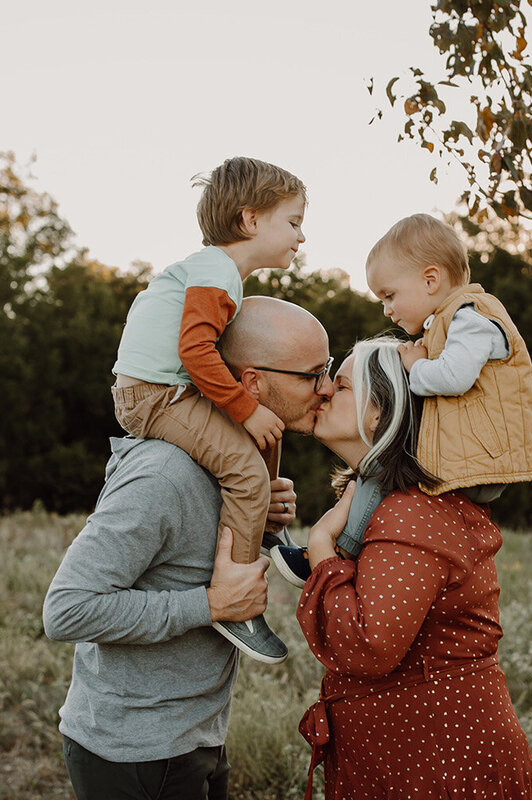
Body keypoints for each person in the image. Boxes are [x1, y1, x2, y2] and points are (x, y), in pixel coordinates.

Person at [44, 297, 335, 800]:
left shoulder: (234, 465)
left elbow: (197, 556)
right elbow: (67, 610)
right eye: (313, 374)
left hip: (195, 737)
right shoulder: (164, 474)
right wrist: (212, 606)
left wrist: (267, 530)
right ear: (251, 384)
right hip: (133, 755)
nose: (327, 388)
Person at [294, 335, 532, 799]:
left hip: (438, 761)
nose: (324, 390)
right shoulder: (389, 505)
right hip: (413, 753)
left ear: (379, 412)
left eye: (342, 386)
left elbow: (368, 646)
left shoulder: (412, 512)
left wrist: (319, 545)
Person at [271, 212, 532, 586]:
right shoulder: (448, 324)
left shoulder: (470, 317)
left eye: (389, 296)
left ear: (431, 280)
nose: (386, 309)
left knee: (383, 474)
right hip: (472, 458)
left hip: (486, 453)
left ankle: (337, 554)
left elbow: (369, 641)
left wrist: (416, 368)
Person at [111, 156, 309, 663]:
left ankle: (266, 528)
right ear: (250, 220)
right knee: (245, 467)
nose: (300, 237)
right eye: (293, 222)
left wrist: (254, 414)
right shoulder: (217, 271)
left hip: (165, 389)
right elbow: (195, 352)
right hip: (154, 397)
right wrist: (244, 410)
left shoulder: (215, 271)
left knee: (269, 428)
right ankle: (237, 597)